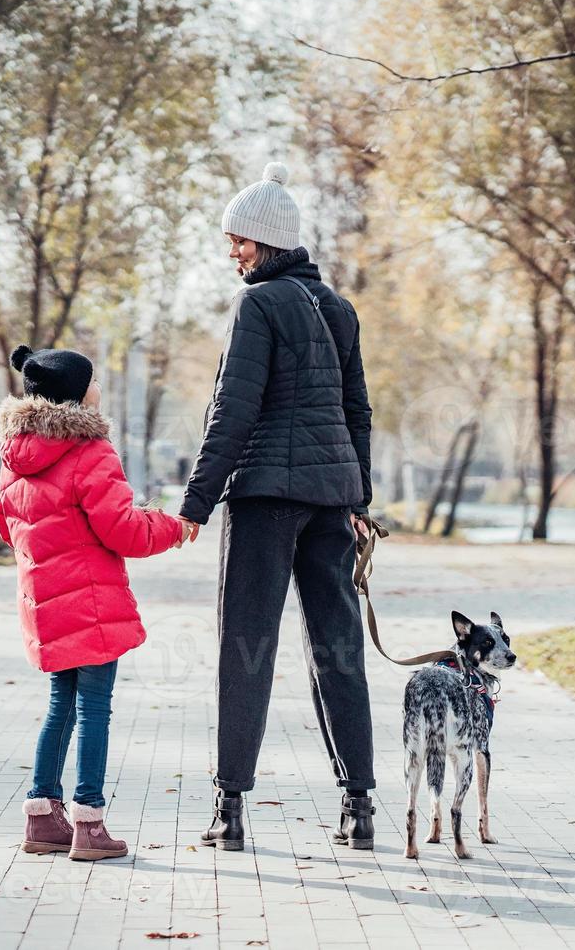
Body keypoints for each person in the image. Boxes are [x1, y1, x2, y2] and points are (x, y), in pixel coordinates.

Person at [176, 162, 377, 851]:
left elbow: (235, 407)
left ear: (265, 241)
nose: (231, 251)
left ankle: (229, 810)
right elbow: (358, 410)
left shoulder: (258, 305)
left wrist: (198, 499)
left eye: (238, 240)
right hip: (332, 501)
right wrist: (360, 497)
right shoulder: (339, 307)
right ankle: (360, 807)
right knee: (338, 646)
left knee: (247, 646)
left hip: (264, 495)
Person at [0, 344, 186, 862]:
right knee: (94, 708)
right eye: (93, 381)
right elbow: (123, 530)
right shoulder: (89, 451)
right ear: (76, 394)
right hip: (93, 605)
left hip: (47, 604)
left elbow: (7, 527)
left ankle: (41, 818)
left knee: (61, 706)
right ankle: (89, 822)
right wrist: (170, 525)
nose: (99, 388)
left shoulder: (15, 457)